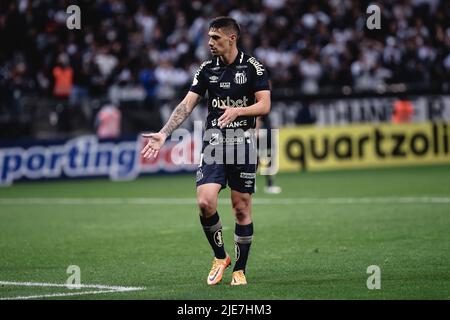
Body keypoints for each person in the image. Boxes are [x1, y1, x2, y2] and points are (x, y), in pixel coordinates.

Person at [141, 16, 271, 286]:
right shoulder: (206, 69)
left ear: (232, 38)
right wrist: (164, 133)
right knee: (204, 202)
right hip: (214, 143)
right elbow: (186, 105)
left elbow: (264, 105)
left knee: (241, 209)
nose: (210, 42)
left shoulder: (253, 68)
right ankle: (220, 256)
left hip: (243, 143)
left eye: (216, 38)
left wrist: (239, 110)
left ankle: (239, 269)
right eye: (209, 37)